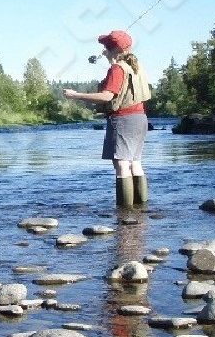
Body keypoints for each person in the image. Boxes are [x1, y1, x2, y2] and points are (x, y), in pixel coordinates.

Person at [63, 30, 151, 207]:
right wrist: (111, 59)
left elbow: (107, 96)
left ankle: (125, 213)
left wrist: (75, 95)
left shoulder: (117, 69)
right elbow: (124, 81)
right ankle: (141, 210)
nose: (103, 48)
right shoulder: (136, 66)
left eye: (106, 46)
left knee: (122, 167)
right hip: (140, 118)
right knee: (135, 164)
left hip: (123, 120)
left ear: (114, 49)